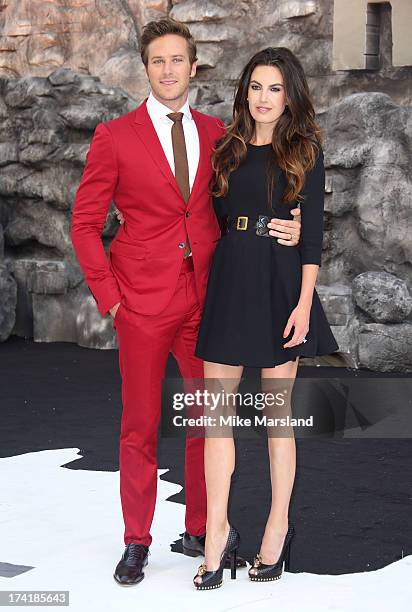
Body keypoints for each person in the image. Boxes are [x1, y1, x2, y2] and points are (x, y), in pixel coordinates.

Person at [71, 18, 302, 586]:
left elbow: (251, 198)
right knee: (142, 424)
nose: (169, 70)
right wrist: (111, 299)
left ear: (193, 66)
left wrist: (292, 227)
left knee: (209, 421)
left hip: (208, 300)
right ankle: (136, 538)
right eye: (158, 61)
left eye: (179, 59)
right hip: (141, 304)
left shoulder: (220, 132)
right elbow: (83, 224)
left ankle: (204, 528)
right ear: (145, 69)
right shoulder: (115, 137)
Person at [192, 47, 339, 590]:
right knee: (217, 420)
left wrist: (303, 305)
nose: (263, 97)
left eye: (275, 88)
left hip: (281, 288)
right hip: (232, 284)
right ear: (244, 91)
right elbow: (213, 217)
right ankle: (216, 535)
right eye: (256, 86)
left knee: (277, 419)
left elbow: (314, 235)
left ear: (290, 94)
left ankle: (277, 530)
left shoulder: (304, 150)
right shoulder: (225, 148)